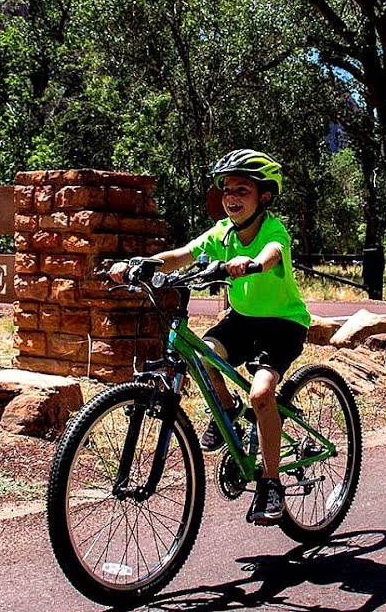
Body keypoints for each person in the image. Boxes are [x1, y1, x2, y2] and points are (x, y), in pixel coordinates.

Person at [109, 149, 311, 525]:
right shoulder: (222, 233)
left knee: (262, 393)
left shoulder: (272, 229)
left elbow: (271, 254)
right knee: (202, 355)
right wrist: (142, 264)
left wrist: (250, 264)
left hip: (282, 324)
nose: (231, 197)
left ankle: (271, 484)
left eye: (242, 189)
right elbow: (183, 254)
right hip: (243, 319)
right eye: (226, 190)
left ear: (264, 196)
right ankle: (229, 414)